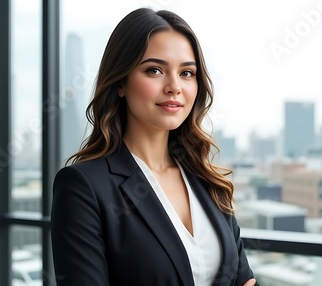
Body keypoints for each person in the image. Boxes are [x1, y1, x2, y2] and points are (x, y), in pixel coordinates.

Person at [51, 7, 258, 286]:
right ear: (121, 82)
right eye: (155, 70)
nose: (174, 86)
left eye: (186, 73)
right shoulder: (83, 188)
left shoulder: (208, 181)